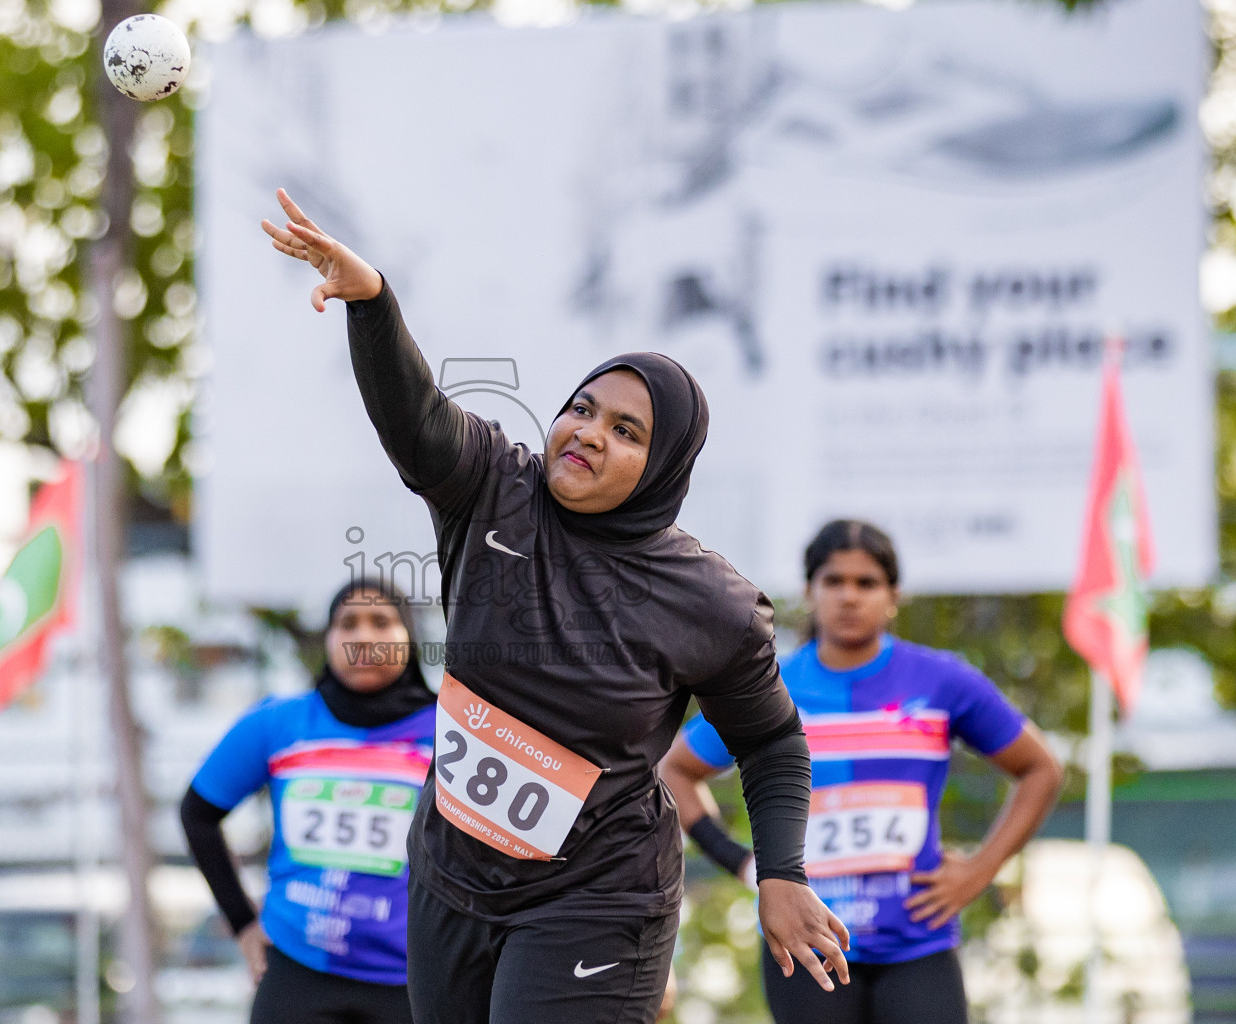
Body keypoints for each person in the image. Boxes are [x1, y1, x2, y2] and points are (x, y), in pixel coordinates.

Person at [260, 189, 849, 1024]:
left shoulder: (710, 603)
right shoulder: (493, 489)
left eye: (627, 430)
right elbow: (417, 417)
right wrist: (372, 303)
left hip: (597, 895)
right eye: (581, 408)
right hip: (449, 876)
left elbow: (771, 740)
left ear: (663, 466)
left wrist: (782, 874)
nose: (589, 433)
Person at [660, 519, 1064, 1024]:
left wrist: (981, 870)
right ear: (810, 591)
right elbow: (674, 771)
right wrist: (747, 866)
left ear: (893, 596)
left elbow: (1040, 768)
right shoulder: (767, 687)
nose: (849, 597)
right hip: (807, 939)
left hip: (917, 940)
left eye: (866, 583)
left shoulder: (943, 681)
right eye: (834, 581)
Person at [180, 579, 436, 1024]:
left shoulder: (452, 730)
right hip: (298, 975)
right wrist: (242, 924)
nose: (363, 637)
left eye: (382, 622)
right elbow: (198, 814)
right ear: (329, 639)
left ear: (409, 638)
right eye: (347, 623)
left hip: (413, 982)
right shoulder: (279, 722)